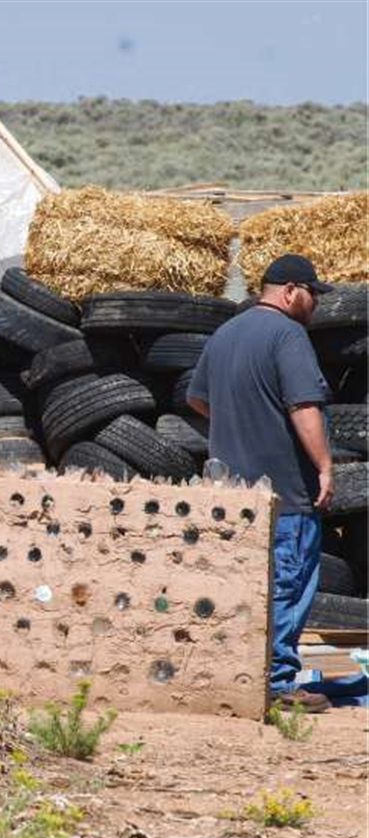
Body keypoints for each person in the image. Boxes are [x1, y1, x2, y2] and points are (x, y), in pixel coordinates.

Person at [187, 253, 334, 713]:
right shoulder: (288, 334)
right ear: (290, 291)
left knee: (239, 585)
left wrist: (241, 421)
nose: (315, 305)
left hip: (232, 496)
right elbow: (303, 406)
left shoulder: (225, 334)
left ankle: (235, 678)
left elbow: (197, 399)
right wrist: (325, 466)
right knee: (286, 583)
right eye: (312, 294)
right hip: (286, 494)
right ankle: (277, 684)